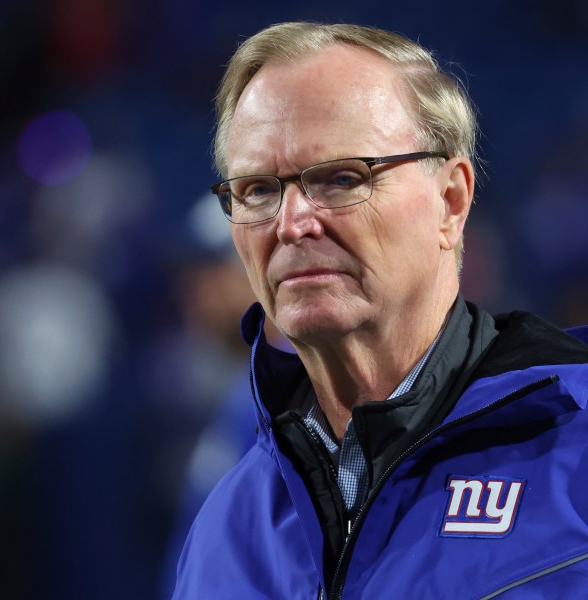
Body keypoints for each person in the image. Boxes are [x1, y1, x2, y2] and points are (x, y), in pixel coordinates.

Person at [172, 22, 588, 599]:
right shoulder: (226, 526)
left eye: (342, 178)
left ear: (451, 201)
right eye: (258, 190)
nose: (291, 223)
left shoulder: (577, 438)